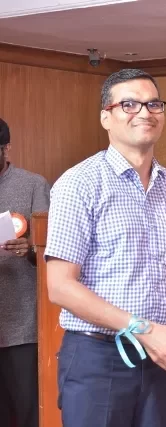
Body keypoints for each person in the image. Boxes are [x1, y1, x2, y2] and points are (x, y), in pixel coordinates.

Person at [44, 69, 166, 427]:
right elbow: (60, 286)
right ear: (106, 117)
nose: (144, 112)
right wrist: (141, 328)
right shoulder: (79, 184)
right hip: (99, 358)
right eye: (129, 104)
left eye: (153, 104)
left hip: (161, 360)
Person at [0, 117, 51, 427]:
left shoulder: (33, 185)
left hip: (21, 328)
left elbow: (52, 252)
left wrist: (30, 249)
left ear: (6, 148)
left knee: (28, 413)